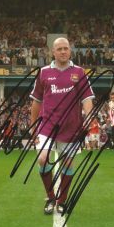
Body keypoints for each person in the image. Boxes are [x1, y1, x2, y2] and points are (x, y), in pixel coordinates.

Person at [30, 37, 94, 215]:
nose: (63, 51)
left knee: (68, 162)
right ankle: (50, 197)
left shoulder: (80, 72)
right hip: (47, 125)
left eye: (66, 48)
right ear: (53, 52)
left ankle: (62, 200)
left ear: (70, 51)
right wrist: (33, 127)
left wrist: (88, 118)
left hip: (71, 126)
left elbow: (87, 99)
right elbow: (36, 102)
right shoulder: (43, 72)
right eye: (59, 49)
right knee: (43, 158)